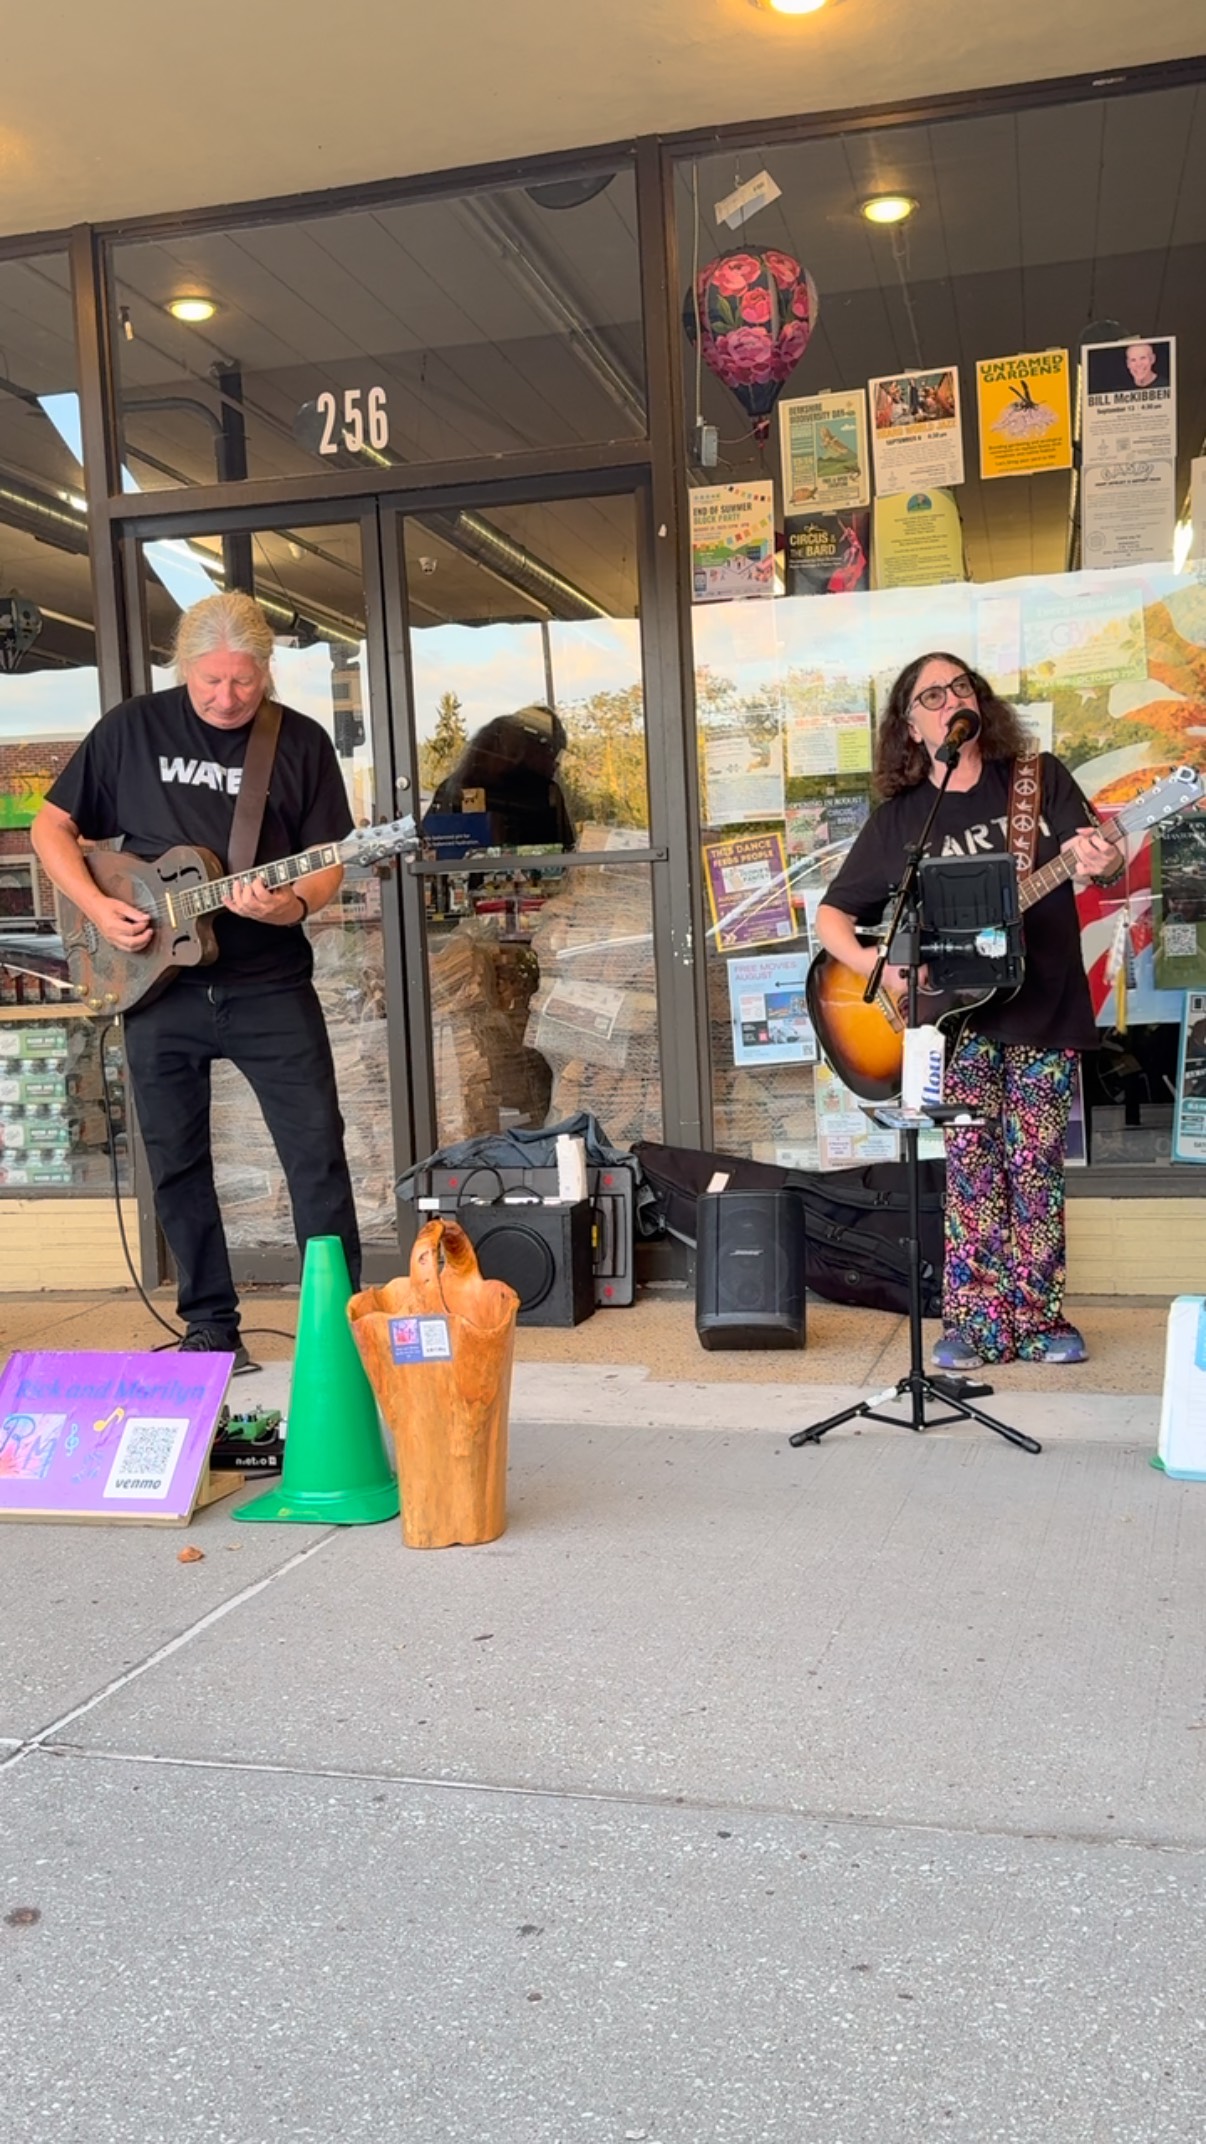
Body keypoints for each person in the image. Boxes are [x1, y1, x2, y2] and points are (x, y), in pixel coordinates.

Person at [31, 591, 360, 1372]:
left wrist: (288, 905)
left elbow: (333, 860)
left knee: (315, 1154)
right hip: (155, 987)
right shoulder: (131, 729)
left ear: (267, 670)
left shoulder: (300, 743)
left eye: (243, 681)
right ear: (183, 668)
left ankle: (341, 1328)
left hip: (269, 985)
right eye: (210, 681)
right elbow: (53, 827)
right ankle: (211, 1325)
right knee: (175, 1158)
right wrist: (98, 909)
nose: (226, 697)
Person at [815, 653, 1123, 1370]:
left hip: (1043, 1008)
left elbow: (1101, 858)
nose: (952, 698)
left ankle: (1040, 1320)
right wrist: (880, 966)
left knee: (1035, 1168)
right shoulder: (902, 821)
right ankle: (978, 1323)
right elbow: (834, 918)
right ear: (913, 725)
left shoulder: (1036, 781)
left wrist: (1103, 855)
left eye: (962, 686)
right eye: (933, 694)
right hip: (956, 1024)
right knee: (973, 1174)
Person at [427, 704, 576, 852]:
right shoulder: (542, 793)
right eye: (552, 752)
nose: (555, 763)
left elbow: (429, 849)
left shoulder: (450, 789)